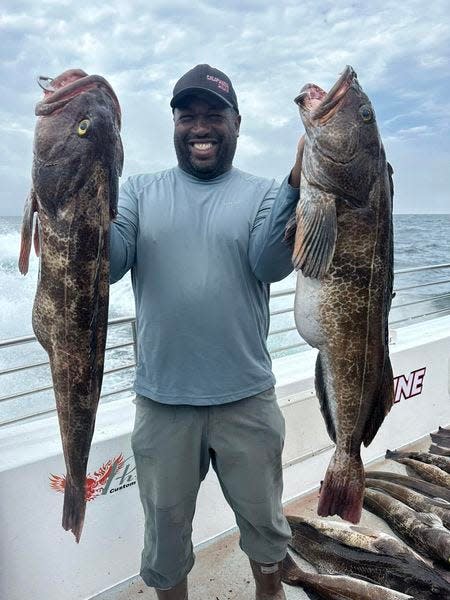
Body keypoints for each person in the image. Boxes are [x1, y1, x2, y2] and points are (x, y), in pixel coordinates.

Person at [110, 64, 304, 600]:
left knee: (266, 526)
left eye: (213, 115)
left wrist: (295, 183)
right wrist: (76, 194)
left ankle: (271, 592)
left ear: (236, 123)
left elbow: (271, 264)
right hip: (162, 402)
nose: (201, 126)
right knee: (165, 539)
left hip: (246, 398)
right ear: (174, 124)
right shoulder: (137, 191)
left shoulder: (267, 192)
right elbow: (106, 262)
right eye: (187, 115)